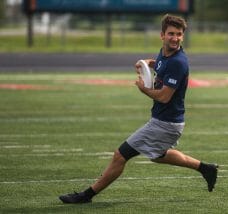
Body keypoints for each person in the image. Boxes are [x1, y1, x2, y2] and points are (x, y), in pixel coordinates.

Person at [59, 14, 218, 204]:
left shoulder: (178, 62)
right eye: (171, 34)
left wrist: (144, 89)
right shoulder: (166, 53)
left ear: (183, 36)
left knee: (120, 155)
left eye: (178, 34)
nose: (175, 38)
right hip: (166, 121)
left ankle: (86, 195)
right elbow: (160, 63)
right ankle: (205, 168)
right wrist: (146, 63)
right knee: (158, 156)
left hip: (165, 124)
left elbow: (164, 97)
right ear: (162, 35)